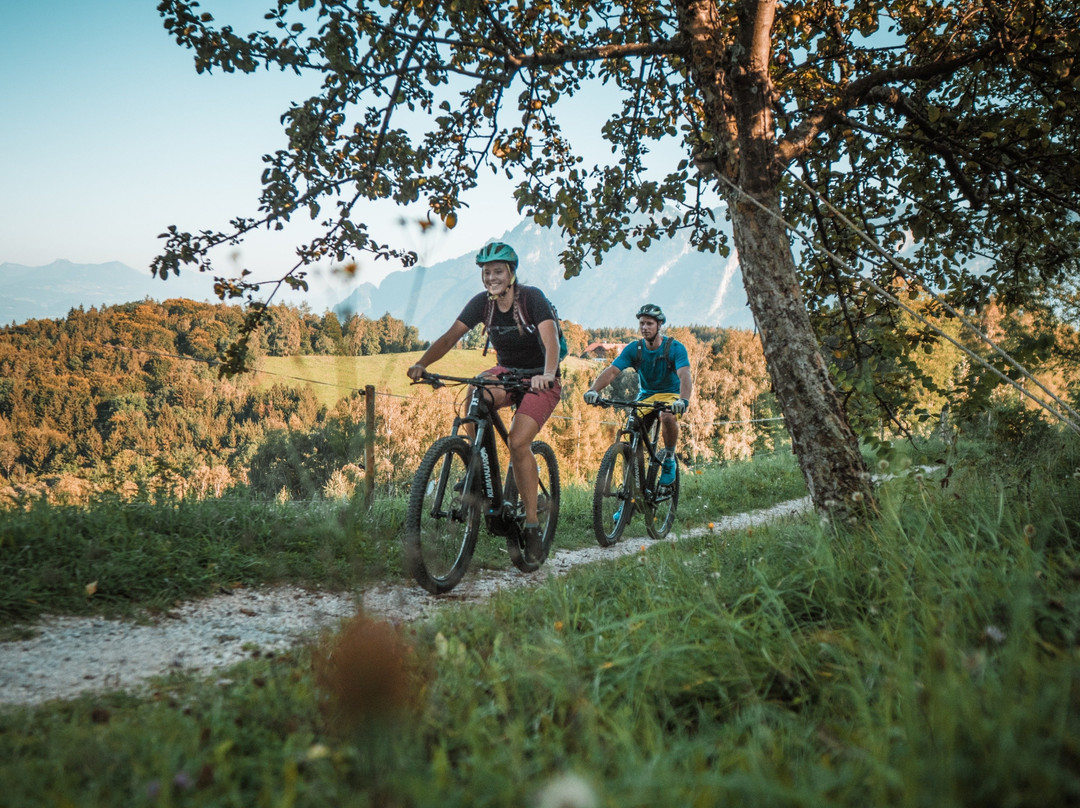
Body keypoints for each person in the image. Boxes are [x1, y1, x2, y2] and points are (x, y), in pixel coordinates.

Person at [407, 241, 561, 562]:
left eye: (498, 271)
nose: (492, 277)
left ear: (511, 273)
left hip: (539, 377)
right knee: (477, 390)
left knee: (519, 444)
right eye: (487, 272)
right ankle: (476, 464)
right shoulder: (482, 304)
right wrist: (423, 364)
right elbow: (450, 337)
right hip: (506, 372)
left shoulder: (531, 298)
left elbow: (550, 339)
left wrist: (547, 373)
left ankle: (531, 525)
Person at [583, 304, 692, 485]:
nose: (644, 328)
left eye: (649, 323)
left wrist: (683, 400)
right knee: (632, 433)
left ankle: (669, 459)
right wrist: (593, 390)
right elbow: (612, 372)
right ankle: (632, 492)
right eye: (641, 323)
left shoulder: (675, 348)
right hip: (646, 397)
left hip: (670, 396)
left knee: (667, 416)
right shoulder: (635, 348)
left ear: (659, 325)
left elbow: (685, 375)